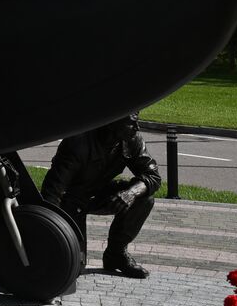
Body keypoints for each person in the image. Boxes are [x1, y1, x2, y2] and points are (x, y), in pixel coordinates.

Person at [41, 113, 161, 279]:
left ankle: (116, 254)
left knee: (144, 197)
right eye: (131, 123)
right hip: (70, 201)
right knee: (73, 268)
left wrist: (130, 193)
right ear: (112, 122)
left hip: (99, 193)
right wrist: (52, 232)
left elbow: (152, 176)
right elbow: (52, 191)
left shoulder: (131, 140)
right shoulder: (78, 142)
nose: (137, 128)